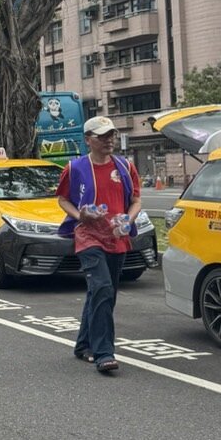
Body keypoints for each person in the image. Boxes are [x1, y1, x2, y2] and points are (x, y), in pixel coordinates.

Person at [57, 116, 142, 376]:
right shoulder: (75, 168)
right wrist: (80, 216)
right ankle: (104, 353)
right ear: (88, 139)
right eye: (102, 136)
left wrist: (129, 218)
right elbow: (62, 200)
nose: (109, 140)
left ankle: (83, 344)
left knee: (103, 293)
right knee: (102, 287)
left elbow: (136, 200)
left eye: (111, 135)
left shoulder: (125, 167)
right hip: (88, 237)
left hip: (116, 236)